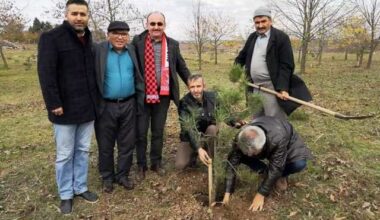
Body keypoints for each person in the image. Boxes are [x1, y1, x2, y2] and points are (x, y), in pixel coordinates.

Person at [37, 0, 98, 214]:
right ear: (66, 15)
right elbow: (46, 73)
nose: (79, 17)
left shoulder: (88, 38)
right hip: (63, 109)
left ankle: (80, 187)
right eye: (75, 13)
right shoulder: (51, 38)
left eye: (83, 14)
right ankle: (65, 194)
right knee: (64, 154)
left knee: (83, 150)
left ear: (87, 16)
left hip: (87, 108)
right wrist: (54, 103)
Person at [132, 11, 191, 179]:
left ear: (164, 25)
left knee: (158, 131)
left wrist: (192, 83)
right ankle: (141, 165)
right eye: (152, 24)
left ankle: (156, 162)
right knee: (141, 132)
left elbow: (181, 66)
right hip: (143, 96)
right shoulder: (137, 42)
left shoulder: (172, 44)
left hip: (163, 95)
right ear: (147, 25)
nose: (156, 27)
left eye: (159, 24)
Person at [93, 21, 144, 193]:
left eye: (124, 34)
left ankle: (123, 175)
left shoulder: (132, 51)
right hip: (106, 106)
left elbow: (138, 76)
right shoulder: (99, 51)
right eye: (116, 33)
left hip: (129, 104)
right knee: (106, 144)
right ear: (108, 35)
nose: (120, 37)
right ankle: (107, 177)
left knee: (127, 143)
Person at [235, 6, 311, 119]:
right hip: (254, 86)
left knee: (274, 119)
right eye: (257, 22)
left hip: (271, 87)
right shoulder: (252, 37)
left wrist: (283, 88)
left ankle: (278, 137)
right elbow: (241, 57)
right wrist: (235, 73)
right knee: (256, 118)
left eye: (263, 21)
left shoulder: (281, 38)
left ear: (270, 21)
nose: (260, 25)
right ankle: (261, 136)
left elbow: (286, 65)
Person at [221, 116, 313, 211]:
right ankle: (265, 172)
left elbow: (276, 167)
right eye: (248, 152)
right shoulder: (242, 137)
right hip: (268, 136)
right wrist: (227, 193)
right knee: (241, 156)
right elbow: (232, 162)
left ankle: (282, 175)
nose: (250, 154)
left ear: (262, 146)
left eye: (253, 152)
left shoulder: (278, 139)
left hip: (286, 140)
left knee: (299, 164)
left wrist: (261, 194)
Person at [176, 74, 218, 169]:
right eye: (192, 87)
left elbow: (225, 113)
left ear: (204, 86)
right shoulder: (184, 103)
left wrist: (236, 122)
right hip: (190, 137)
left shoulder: (213, 97)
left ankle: (210, 159)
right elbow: (189, 128)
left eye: (198, 86)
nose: (195, 90)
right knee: (180, 164)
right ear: (188, 88)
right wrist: (198, 148)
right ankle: (194, 154)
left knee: (213, 129)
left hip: (207, 133)